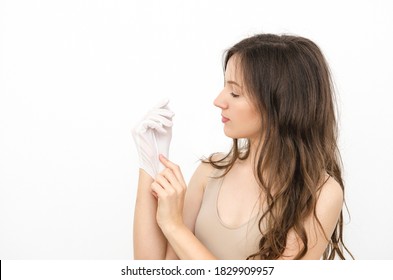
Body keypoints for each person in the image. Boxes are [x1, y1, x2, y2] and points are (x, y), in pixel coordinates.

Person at [132, 33, 353, 260]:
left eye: (235, 92)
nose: (219, 100)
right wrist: (150, 164)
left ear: (280, 104)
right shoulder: (210, 172)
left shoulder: (320, 193)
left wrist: (175, 227)